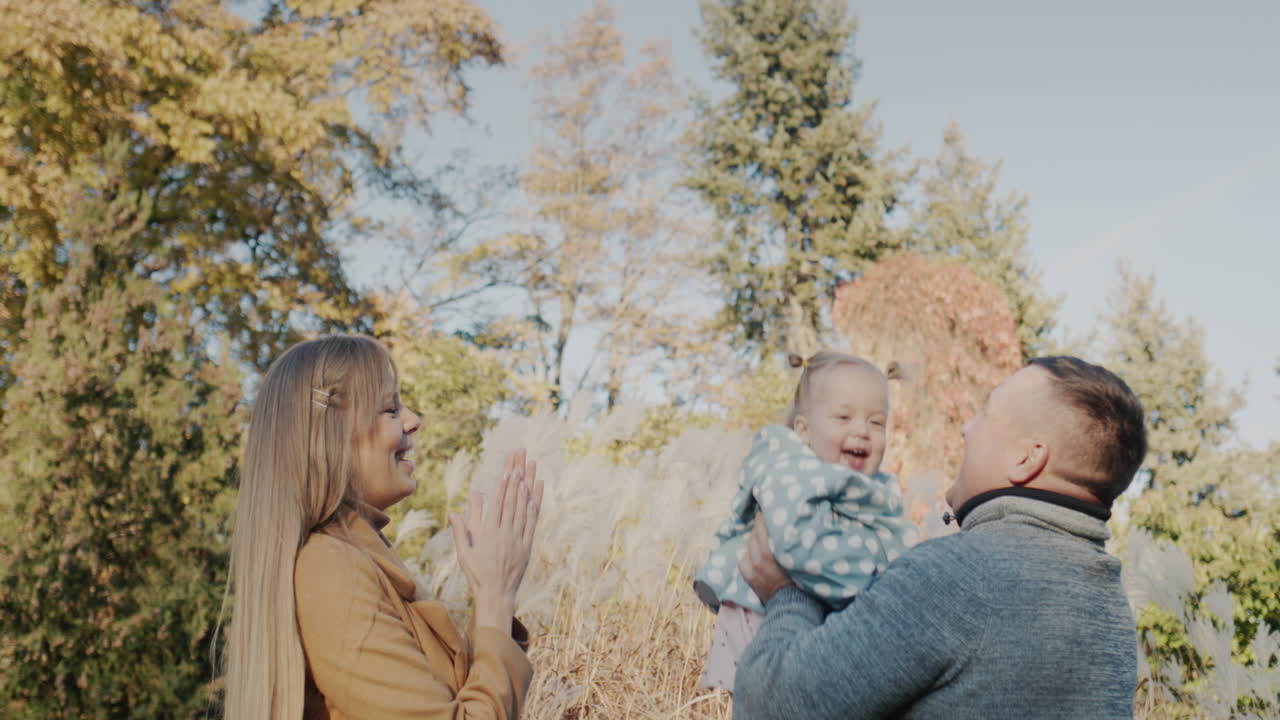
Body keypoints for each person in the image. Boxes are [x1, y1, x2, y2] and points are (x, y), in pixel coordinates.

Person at [735, 356, 1148, 719]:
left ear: (1027, 459)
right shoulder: (1112, 611)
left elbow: (770, 708)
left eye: (985, 413)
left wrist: (786, 594)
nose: (967, 428)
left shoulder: (957, 575)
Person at [223, 335, 543, 719]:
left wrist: (489, 601)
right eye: (391, 409)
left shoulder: (359, 562)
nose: (413, 421)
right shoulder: (330, 570)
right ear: (332, 435)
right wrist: (495, 594)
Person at [693, 352, 918, 692]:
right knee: (754, 702)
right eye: (843, 417)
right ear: (803, 431)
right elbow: (797, 544)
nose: (862, 431)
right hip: (759, 618)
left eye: (877, 422)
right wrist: (870, 595)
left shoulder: (872, 492)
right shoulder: (791, 472)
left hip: (810, 627)